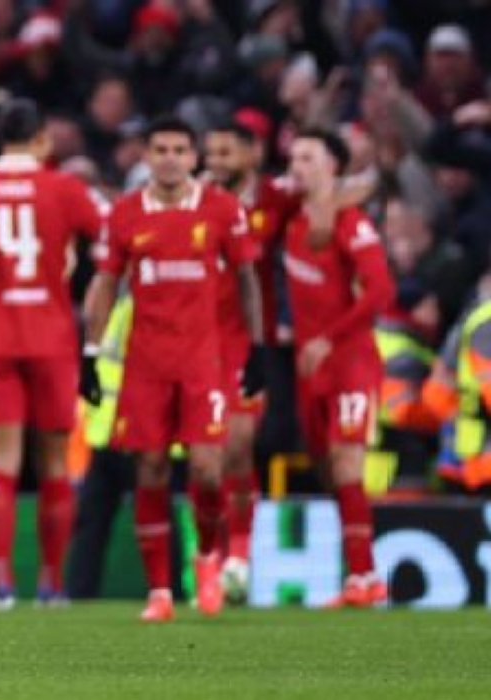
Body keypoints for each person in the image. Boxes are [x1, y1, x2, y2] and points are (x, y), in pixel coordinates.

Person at [82, 116, 264, 623]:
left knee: (208, 471)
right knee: (152, 469)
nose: (168, 158)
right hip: (145, 366)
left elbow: (247, 279)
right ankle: (160, 591)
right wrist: (91, 355)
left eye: (179, 149)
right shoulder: (123, 215)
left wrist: (259, 349)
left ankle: (208, 554)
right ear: (145, 154)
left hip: (203, 364)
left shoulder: (221, 209)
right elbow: (104, 286)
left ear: (193, 157)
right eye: (159, 148)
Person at [0, 98, 103, 609]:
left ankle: (1, 583)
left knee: (2, 464)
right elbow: (109, 238)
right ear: (42, 139)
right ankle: (52, 583)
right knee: (54, 464)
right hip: (51, 337)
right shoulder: (66, 189)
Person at [282, 129, 394, 608]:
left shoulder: (351, 222)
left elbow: (380, 290)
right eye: (294, 157)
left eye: (308, 157)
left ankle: (365, 578)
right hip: (309, 366)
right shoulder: (290, 219)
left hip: (349, 362)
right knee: (329, 470)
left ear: (332, 166)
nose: (297, 165)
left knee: (348, 463)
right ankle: (356, 571)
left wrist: (329, 336)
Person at [201, 120, 300, 603]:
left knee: (238, 447)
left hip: (245, 344)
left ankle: (237, 554)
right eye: (211, 153)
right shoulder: (193, 202)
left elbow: (330, 194)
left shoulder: (274, 201)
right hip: (196, 344)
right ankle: (212, 559)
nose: (216, 162)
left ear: (252, 155)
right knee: (207, 461)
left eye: (226, 152)